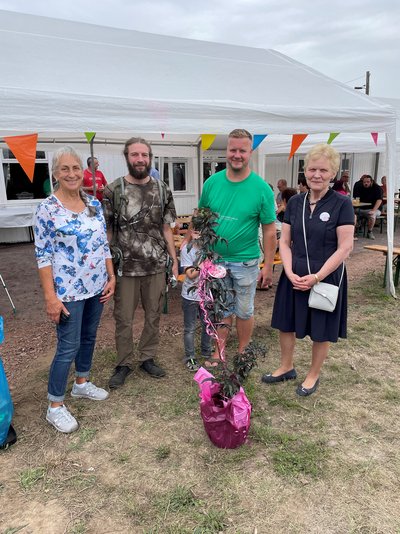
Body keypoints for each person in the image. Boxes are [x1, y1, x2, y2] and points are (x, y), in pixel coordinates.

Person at [34, 146, 115, 433]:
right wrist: (50, 298)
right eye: (65, 169)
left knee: (89, 337)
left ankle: (81, 383)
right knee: (67, 346)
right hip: (67, 292)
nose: (71, 174)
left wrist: (111, 275)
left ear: (84, 171)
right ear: (55, 173)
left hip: (96, 286)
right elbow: (43, 256)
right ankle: (54, 405)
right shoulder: (47, 208)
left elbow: (103, 245)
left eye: (76, 168)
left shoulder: (94, 203)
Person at [262, 144, 354, 396]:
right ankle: (286, 366)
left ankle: (313, 375)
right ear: (305, 171)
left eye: (323, 170)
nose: (317, 174)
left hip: (326, 277)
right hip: (294, 273)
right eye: (312, 169)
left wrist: (317, 277)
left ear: (332, 173)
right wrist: (289, 271)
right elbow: (285, 241)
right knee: (286, 323)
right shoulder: (294, 202)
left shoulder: (341, 204)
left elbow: (345, 248)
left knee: (321, 329)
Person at [103, 137, 178, 388]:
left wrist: (174, 261)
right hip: (125, 268)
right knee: (123, 318)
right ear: (127, 157)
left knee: (153, 315)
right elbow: (108, 232)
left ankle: (147, 357)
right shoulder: (113, 190)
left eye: (144, 155)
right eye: (135, 155)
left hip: (156, 265)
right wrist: (108, 269)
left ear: (150, 157)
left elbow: (167, 228)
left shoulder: (162, 189)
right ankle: (123, 362)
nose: (140, 159)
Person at [198, 128, 277, 363]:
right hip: (216, 261)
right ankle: (219, 352)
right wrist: (203, 253)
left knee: (244, 310)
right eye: (233, 149)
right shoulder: (212, 183)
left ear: (250, 152)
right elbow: (202, 218)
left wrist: (269, 266)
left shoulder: (261, 188)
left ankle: (243, 351)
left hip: (246, 261)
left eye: (242, 150)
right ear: (227, 150)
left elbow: (270, 229)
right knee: (221, 309)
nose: (237, 155)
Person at [180, 231, 212, 371]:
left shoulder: (211, 247)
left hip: (207, 294)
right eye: (196, 231)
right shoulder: (187, 249)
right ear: (192, 232)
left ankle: (207, 351)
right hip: (190, 296)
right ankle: (190, 356)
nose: (200, 235)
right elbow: (191, 275)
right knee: (190, 328)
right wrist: (202, 260)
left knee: (208, 325)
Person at [356, 175, 383, 239]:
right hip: (361, 208)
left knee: (372, 216)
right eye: (364, 182)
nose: (366, 183)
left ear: (371, 182)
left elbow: (379, 200)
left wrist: (373, 210)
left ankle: (369, 232)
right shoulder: (360, 187)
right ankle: (357, 228)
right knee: (350, 213)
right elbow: (356, 198)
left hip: (374, 208)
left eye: (368, 182)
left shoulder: (377, 188)